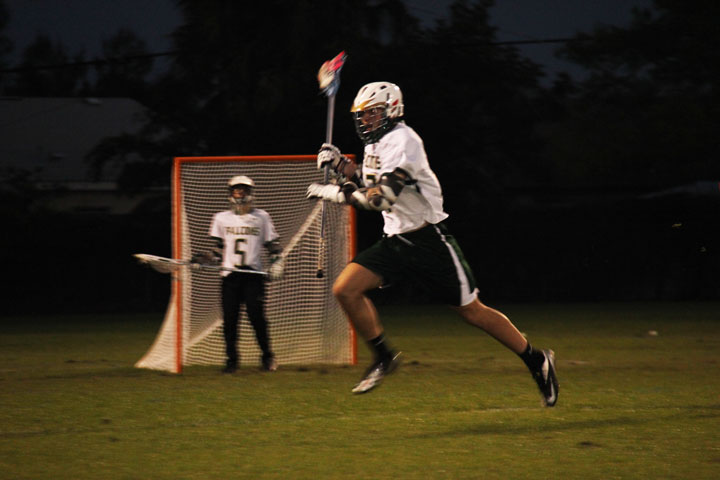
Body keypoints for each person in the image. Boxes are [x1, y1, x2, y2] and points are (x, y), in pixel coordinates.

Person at [307, 82, 558, 405]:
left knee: (472, 312)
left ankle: (536, 360)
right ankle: (384, 356)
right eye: (362, 114)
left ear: (392, 109)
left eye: (372, 113)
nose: (366, 120)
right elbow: (368, 181)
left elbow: (381, 198)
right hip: (396, 240)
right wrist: (341, 164)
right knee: (345, 288)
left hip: (429, 241)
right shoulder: (376, 144)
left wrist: (335, 192)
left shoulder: (404, 141)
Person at [195, 175, 284, 373]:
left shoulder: (262, 217)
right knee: (230, 320)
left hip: (253, 275)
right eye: (236, 189)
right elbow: (218, 251)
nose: (240, 192)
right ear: (230, 193)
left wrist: (277, 260)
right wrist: (204, 259)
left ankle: (267, 356)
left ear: (250, 192)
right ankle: (231, 361)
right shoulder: (221, 218)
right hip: (230, 276)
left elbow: (273, 245)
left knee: (257, 318)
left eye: (243, 189)